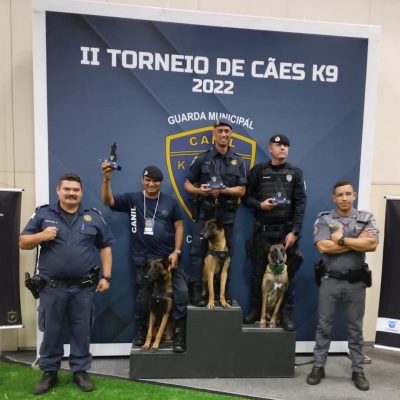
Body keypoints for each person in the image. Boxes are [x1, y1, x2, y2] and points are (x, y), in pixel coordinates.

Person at [19, 173, 114, 395]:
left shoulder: (93, 216)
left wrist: (106, 277)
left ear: (81, 192)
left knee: (82, 331)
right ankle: (49, 372)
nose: (72, 193)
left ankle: (80, 371)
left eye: (76, 190)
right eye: (67, 189)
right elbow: (23, 242)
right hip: (51, 287)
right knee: (51, 331)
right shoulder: (43, 214)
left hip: (83, 288)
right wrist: (42, 235)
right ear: (58, 190)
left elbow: (105, 247)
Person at [101, 164, 188, 352]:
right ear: (142, 180)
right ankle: (142, 330)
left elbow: (179, 227)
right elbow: (108, 200)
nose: (151, 184)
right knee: (143, 299)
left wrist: (176, 252)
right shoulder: (132, 199)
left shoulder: (171, 202)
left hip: (167, 260)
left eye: (155, 181)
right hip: (144, 260)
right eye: (148, 180)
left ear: (161, 183)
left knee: (181, 293)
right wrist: (107, 179)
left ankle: (179, 331)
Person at [307, 180, 378, 391]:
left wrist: (341, 240)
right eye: (340, 195)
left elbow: (372, 244)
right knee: (324, 326)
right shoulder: (324, 219)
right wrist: (356, 241)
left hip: (356, 282)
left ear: (354, 195)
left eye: (348, 194)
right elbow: (323, 247)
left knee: (355, 329)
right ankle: (318, 366)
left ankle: (358, 370)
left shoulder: (366, 218)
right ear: (334, 198)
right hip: (330, 280)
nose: (344, 198)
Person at [243, 134, 306, 330]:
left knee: (289, 275)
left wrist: (294, 232)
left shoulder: (295, 172)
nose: (283, 148)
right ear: (270, 148)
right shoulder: (258, 171)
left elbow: (300, 204)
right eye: (279, 145)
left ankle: (285, 315)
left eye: (286, 145)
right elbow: (245, 198)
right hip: (262, 233)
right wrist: (260, 205)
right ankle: (255, 310)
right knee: (258, 273)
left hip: (285, 233)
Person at [184, 118, 247, 306]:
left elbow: (242, 190)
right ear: (214, 133)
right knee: (197, 252)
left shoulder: (238, 161)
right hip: (205, 213)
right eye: (220, 131)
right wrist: (200, 191)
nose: (224, 134)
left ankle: (223, 293)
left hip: (226, 215)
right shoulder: (202, 159)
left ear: (231, 134)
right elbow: (187, 184)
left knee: (226, 254)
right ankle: (197, 292)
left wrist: (223, 190)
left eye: (227, 131)